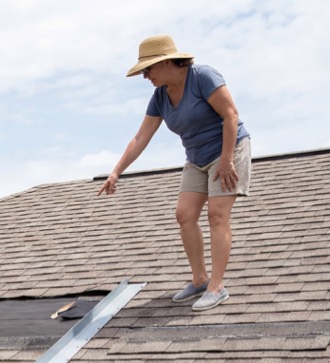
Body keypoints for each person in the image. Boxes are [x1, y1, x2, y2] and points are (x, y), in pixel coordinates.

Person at [98, 34, 251, 312]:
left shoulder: (203, 76)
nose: (145, 76)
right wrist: (116, 172)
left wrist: (228, 159)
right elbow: (140, 138)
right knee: (184, 214)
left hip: (229, 149)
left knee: (217, 214)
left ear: (167, 62)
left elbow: (231, 115)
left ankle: (217, 287)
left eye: (148, 69)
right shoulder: (159, 96)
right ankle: (200, 280)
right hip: (196, 158)